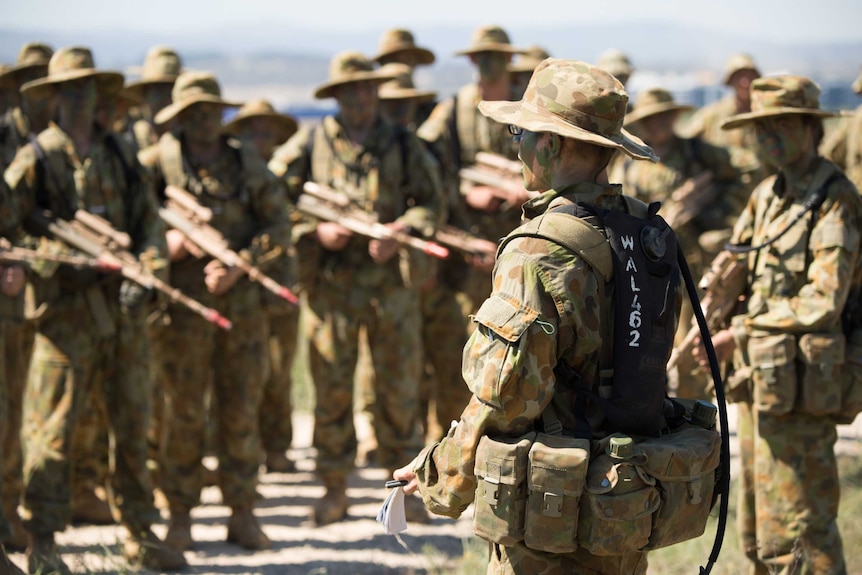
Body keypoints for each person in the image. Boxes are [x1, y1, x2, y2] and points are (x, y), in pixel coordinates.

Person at [395, 57, 673, 575]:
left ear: (551, 144)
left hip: (554, 509)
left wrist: (442, 470)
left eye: (521, 131)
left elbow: (509, 394)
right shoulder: (645, 230)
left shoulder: (539, 249)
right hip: (627, 498)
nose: (514, 144)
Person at [3, 46, 185, 574]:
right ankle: (44, 542)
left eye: (91, 89)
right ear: (56, 96)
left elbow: (149, 223)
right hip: (65, 319)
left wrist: (147, 271)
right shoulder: (36, 159)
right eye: (73, 89)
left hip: (122, 316)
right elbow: (11, 233)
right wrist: (57, 262)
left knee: (132, 422)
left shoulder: (120, 154)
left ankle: (140, 535)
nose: (85, 100)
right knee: (53, 431)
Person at [268, 50, 443, 525]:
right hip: (332, 290)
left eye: (368, 88)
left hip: (390, 290)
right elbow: (272, 202)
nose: (362, 97)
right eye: (352, 90)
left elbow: (432, 205)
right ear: (338, 96)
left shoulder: (403, 143)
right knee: (331, 392)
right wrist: (315, 233)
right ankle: (334, 490)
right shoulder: (311, 144)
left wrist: (401, 232)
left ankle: (403, 496)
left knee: (398, 394)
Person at [695, 75, 860, 574]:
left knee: (804, 525)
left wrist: (740, 332)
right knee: (759, 527)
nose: (768, 139)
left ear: (811, 129)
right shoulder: (768, 194)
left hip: (806, 388)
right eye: (760, 129)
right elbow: (735, 263)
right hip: (764, 382)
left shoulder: (835, 198)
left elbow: (822, 302)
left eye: (781, 126)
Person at [140, 71, 289, 551]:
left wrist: (240, 266)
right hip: (181, 315)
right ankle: (179, 515)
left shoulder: (244, 162)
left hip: (240, 310)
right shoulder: (154, 165)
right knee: (182, 412)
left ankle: (242, 512)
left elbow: (277, 225)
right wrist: (170, 248)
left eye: (211, 111)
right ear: (180, 116)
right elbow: (131, 230)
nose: (204, 121)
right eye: (194, 113)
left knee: (240, 408)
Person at [418, 24, 529, 318]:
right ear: (471, 61)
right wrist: (468, 193)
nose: (489, 65)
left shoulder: (529, 109)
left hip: (523, 238)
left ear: (509, 60)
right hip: (471, 244)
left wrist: (529, 189)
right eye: (482, 57)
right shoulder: (454, 110)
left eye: (496, 56)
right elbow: (423, 170)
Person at [223, 98, 300, 474]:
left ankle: (278, 445)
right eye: (252, 131)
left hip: (282, 284)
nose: (260, 139)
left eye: (267, 132)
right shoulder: (234, 176)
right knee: (246, 373)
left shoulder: (285, 175)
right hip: (242, 291)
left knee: (281, 369)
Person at [0, 41, 53, 553]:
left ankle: (10, 514)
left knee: (14, 409)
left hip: (23, 300)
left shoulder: (54, 147)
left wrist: (17, 257)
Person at [680, 53, 770, 189]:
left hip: (763, 190)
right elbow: (684, 140)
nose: (745, 82)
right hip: (724, 194)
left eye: (749, 76)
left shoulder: (768, 116)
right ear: (730, 81)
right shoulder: (711, 115)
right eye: (739, 76)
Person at [124, 45, 183, 151]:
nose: (167, 99)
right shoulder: (128, 134)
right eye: (158, 91)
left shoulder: (192, 137)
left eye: (171, 90)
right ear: (144, 94)